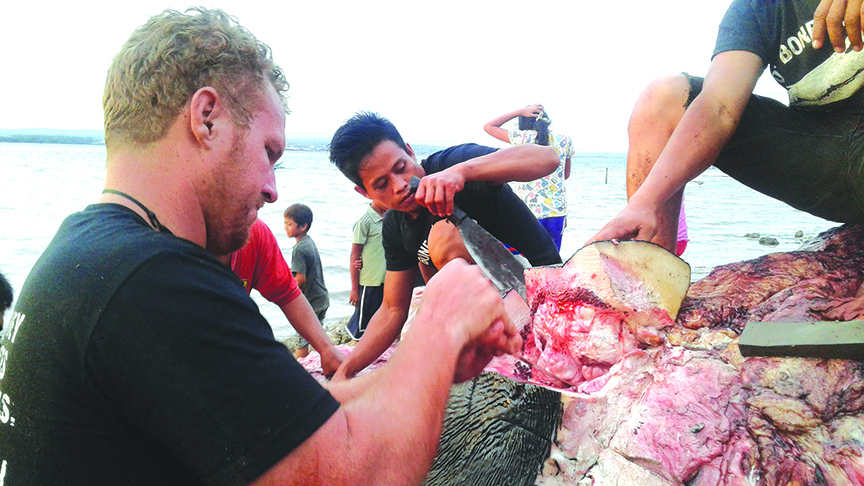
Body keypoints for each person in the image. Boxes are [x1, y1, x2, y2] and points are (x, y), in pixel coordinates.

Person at [0, 8, 521, 486]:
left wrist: (425, 372)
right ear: (206, 117)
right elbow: (360, 475)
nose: (273, 189)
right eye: (269, 153)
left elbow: (288, 417)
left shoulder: (83, 259)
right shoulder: (155, 280)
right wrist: (440, 322)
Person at [590, 0, 864, 252]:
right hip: (826, 155)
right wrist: (644, 203)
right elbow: (719, 105)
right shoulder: (756, 8)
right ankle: (652, 281)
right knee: (663, 97)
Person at [329, 111, 563, 380]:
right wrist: (347, 369)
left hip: (542, 289)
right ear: (365, 193)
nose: (400, 186)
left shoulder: (452, 164)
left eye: (401, 168)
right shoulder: (395, 226)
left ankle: (513, 339)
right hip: (488, 316)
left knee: (441, 236)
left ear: (409, 151)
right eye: (381, 184)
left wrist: (463, 172)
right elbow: (393, 309)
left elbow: (547, 158)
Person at [217, 217, 344, 375]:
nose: (272, 194)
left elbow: (287, 293)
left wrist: (327, 350)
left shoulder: (254, 231)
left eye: (289, 223)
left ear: (303, 226)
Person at [483, 104, 573, 250]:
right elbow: (565, 175)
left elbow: (489, 126)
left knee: (518, 261)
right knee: (551, 265)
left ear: (523, 122)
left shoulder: (522, 138)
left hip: (525, 211)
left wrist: (519, 111)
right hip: (556, 213)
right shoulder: (564, 140)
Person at [283, 203, 329, 358]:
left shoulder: (299, 249)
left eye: (289, 224)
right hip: (321, 298)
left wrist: (287, 294)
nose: (285, 227)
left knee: (303, 341)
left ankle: (298, 375)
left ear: (303, 226)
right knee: (318, 340)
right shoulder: (308, 242)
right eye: (285, 224)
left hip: (311, 302)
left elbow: (300, 279)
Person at [347, 200, 388, 340]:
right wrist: (354, 289)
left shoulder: (390, 217)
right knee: (362, 324)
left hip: (388, 279)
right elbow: (354, 255)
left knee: (382, 320)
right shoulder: (365, 222)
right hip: (370, 281)